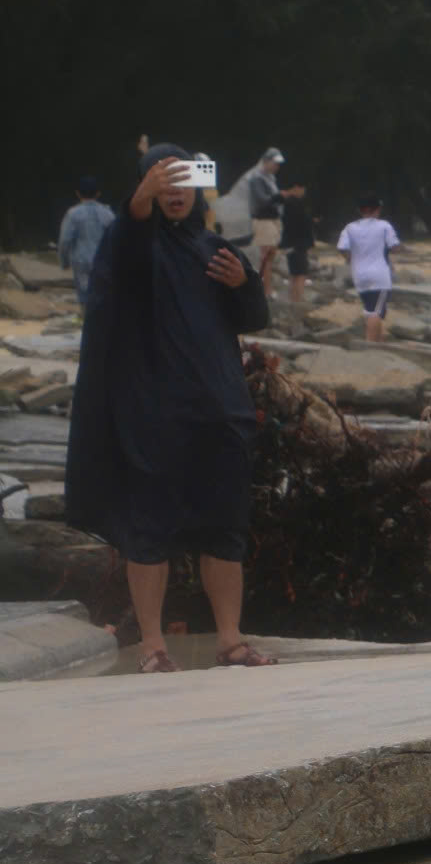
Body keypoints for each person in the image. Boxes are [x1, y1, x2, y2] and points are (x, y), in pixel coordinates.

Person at [65, 146, 275, 673]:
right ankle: (154, 647)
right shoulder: (130, 248)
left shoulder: (213, 248)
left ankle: (231, 639)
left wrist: (242, 285)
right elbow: (129, 233)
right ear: (145, 189)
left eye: (185, 182)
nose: (176, 194)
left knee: (225, 531)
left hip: (220, 411)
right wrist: (141, 198)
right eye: (164, 183)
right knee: (149, 532)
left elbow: (255, 316)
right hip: (152, 414)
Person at [336, 194, 402, 343]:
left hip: (359, 275)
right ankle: (369, 345)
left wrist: (349, 258)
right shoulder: (384, 226)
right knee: (376, 312)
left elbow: (341, 247)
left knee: (369, 310)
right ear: (378, 209)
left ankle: (378, 343)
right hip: (380, 275)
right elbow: (395, 247)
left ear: (360, 210)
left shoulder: (350, 227)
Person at [58, 176, 116, 311]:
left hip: (81, 261)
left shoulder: (73, 214)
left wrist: (64, 261)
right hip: (104, 262)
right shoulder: (107, 213)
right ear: (98, 193)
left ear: (77, 193)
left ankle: (86, 321)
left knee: (85, 296)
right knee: (103, 294)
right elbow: (115, 239)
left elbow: (65, 240)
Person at [246, 147, 286, 291]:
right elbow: (262, 200)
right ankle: (265, 290)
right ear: (266, 161)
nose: (277, 166)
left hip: (274, 219)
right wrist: (279, 196)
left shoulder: (270, 178)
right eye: (275, 163)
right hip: (263, 220)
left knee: (271, 256)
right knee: (265, 257)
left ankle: (268, 288)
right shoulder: (256, 178)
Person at [278, 180, 315, 312]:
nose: (304, 192)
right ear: (297, 188)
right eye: (303, 189)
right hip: (298, 243)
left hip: (289, 243)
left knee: (294, 273)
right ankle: (297, 302)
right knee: (300, 273)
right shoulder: (295, 204)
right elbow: (303, 224)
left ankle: (292, 300)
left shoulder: (286, 204)